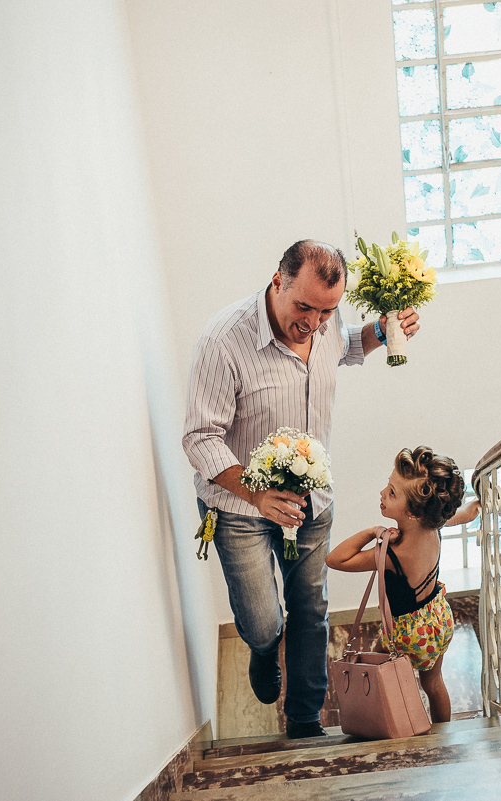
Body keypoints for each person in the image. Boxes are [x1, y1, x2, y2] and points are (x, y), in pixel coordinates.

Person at [182, 240, 420, 739]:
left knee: (311, 610)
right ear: (277, 281)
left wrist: (380, 332)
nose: (313, 323)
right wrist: (256, 494)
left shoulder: (325, 324)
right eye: (304, 307)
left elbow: (344, 349)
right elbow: (200, 437)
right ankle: (264, 648)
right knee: (265, 621)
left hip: (314, 503)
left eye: (327, 311)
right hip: (238, 506)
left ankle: (304, 718)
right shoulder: (224, 341)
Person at [326, 446, 465, 723]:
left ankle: (387, 724)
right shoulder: (434, 525)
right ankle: (444, 735)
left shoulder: (395, 552)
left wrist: (371, 531)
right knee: (434, 684)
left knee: (379, 673)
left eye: (391, 492)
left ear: (414, 511)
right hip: (437, 618)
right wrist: (476, 508)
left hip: (408, 633)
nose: (382, 493)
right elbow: (466, 515)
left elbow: (335, 559)